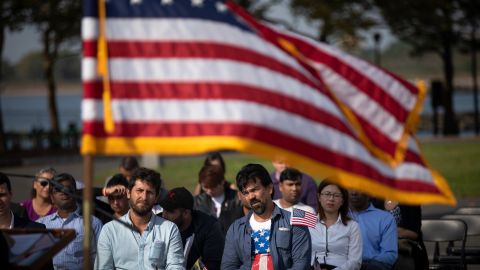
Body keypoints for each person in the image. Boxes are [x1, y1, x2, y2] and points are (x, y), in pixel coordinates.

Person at [221, 164, 311, 270]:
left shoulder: (295, 222)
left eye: (255, 190)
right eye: (246, 192)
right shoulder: (236, 228)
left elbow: (301, 265)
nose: (251, 196)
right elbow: (228, 266)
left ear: (270, 188)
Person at [95, 168, 184, 269]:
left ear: (156, 197)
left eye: (149, 192)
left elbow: (176, 266)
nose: (144, 197)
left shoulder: (169, 230)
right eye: (139, 191)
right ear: (128, 193)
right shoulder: (110, 231)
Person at [37, 173, 103, 270]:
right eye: (58, 189)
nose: (64, 192)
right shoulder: (41, 225)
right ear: (51, 197)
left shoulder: (93, 223)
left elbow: (101, 258)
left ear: (75, 193)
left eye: (68, 189)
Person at [161, 187, 224, 270]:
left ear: (186, 213)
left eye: (170, 212)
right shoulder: (159, 224)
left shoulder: (209, 228)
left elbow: (212, 264)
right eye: (164, 210)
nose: (164, 215)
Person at [310, 180, 362, 270]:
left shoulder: (352, 226)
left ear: (342, 201)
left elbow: (355, 262)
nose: (331, 199)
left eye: (336, 195)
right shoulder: (309, 223)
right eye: (327, 194)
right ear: (319, 197)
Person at [373, 199, 428, 270]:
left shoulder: (411, 201)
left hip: (405, 248)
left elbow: (414, 233)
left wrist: (388, 231)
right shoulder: (375, 200)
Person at [349, 190, 397, 270]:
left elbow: (389, 255)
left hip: (372, 265)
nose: (353, 192)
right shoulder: (337, 215)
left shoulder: (385, 218)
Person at [194, 164, 242, 235]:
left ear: (222, 182)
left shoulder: (237, 198)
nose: (209, 191)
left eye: (213, 187)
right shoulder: (197, 202)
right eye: (205, 188)